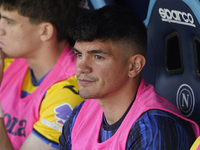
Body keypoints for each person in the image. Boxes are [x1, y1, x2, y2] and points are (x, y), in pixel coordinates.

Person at [59, 5, 200, 150]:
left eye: (97, 57)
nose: (81, 68)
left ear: (134, 66)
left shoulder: (153, 128)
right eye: (79, 55)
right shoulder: (81, 113)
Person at [0, 0, 85, 149]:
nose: (1, 29)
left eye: (10, 22)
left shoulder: (70, 89)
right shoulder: (10, 61)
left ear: (45, 31)